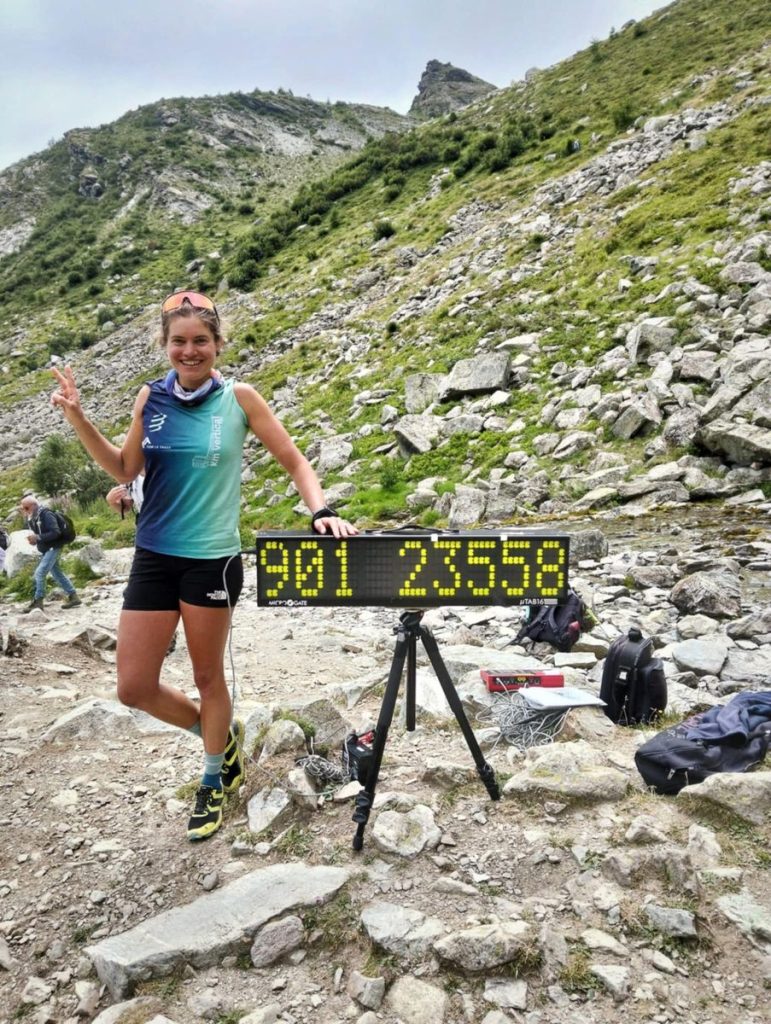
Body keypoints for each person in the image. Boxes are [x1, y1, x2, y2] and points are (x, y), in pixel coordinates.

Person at [50, 289, 357, 842]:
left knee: (207, 677)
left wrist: (322, 511)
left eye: (200, 341)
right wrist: (77, 416)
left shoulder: (239, 398)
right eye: (178, 342)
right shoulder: (151, 398)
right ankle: (219, 738)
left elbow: (293, 459)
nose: (189, 351)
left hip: (211, 561)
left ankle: (213, 778)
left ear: (217, 344)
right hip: (153, 556)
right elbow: (123, 467)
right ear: (165, 345)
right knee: (133, 687)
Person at [19, 495, 82, 613]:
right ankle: (74, 596)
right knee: (57, 573)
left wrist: (37, 537)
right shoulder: (33, 517)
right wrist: (35, 540)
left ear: (34, 505)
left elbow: (55, 532)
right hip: (47, 548)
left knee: (39, 572)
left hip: (54, 547)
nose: (25, 511)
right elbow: (40, 534)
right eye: (23, 508)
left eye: (26, 508)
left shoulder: (46, 514)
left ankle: (38, 601)